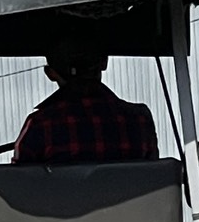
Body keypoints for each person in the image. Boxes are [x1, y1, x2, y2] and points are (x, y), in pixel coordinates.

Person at [12, 55, 160, 165]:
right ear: (104, 62)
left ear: (50, 73)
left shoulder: (40, 124)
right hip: (133, 208)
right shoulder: (140, 119)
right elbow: (152, 177)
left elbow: (18, 185)